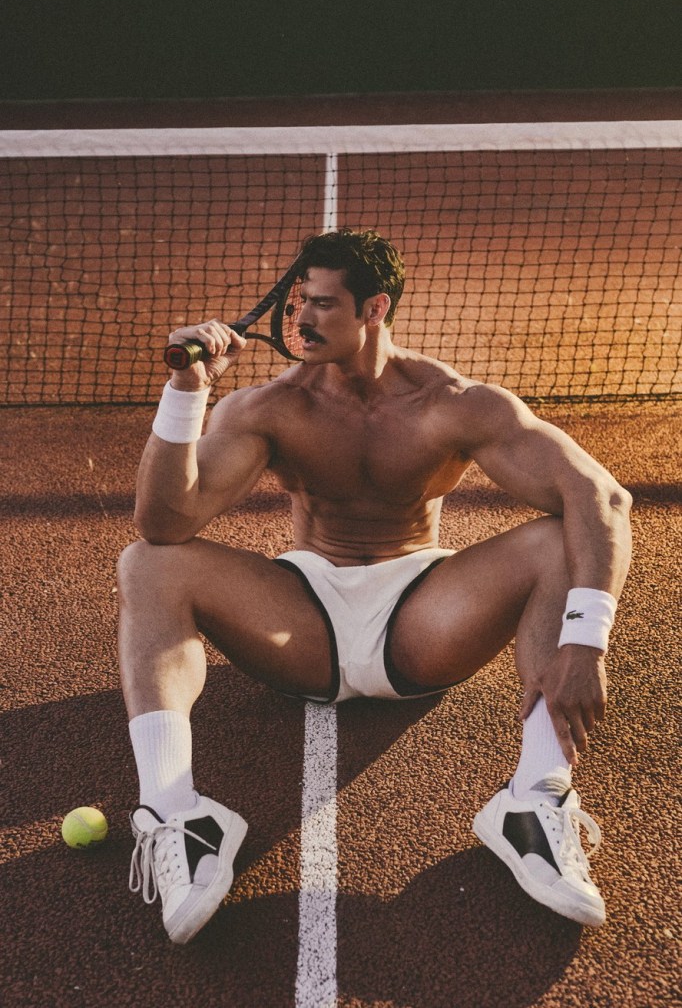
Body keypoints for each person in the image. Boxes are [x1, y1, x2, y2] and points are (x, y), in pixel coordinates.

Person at [118, 228, 632, 944]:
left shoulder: (452, 403)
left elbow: (601, 497)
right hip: (302, 621)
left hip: (422, 616)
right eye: (297, 303)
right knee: (148, 561)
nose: (301, 320)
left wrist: (585, 641)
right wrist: (186, 393)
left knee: (556, 540)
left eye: (322, 304)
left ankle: (535, 796)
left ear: (375, 308)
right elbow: (163, 521)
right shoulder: (272, 408)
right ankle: (178, 812)